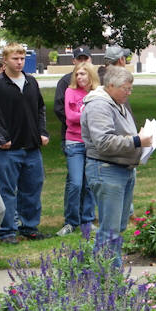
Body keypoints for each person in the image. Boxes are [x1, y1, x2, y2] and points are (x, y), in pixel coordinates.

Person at [81, 66, 152, 268]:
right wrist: (137, 140)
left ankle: (105, 269)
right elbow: (103, 142)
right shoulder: (99, 106)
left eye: (131, 88)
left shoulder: (117, 102)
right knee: (110, 229)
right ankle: (108, 274)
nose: (129, 93)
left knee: (118, 225)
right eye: (126, 89)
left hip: (122, 169)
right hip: (106, 170)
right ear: (110, 85)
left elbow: (121, 133)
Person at [0, 44, 50, 244]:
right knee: (7, 191)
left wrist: (42, 132)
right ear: (5, 60)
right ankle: (7, 232)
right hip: (8, 150)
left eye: (22, 58)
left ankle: (29, 228)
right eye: (15, 59)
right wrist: (2, 138)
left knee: (32, 189)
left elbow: (40, 109)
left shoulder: (31, 82)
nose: (19, 62)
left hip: (32, 148)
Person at [56, 61, 99, 238]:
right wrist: (89, 115)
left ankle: (87, 220)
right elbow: (70, 117)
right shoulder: (70, 91)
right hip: (74, 142)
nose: (79, 77)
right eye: (77, 74)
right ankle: (71, 221)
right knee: (75, 183)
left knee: (89, 184)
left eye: (83, 73)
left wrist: (84, 115)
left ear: (90, 75)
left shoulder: (97, 93)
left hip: (91, 143)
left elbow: (100, 115)